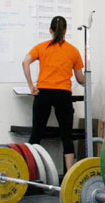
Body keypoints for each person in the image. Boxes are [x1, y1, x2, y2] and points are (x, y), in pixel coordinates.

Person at [22, 16, 85, 173]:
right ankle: (69, 175)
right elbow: (80, 78)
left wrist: (31, 85)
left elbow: (25, 62)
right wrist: (89, 80)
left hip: (43, 93)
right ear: (65, 31)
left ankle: (30, 173)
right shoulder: (73, 51)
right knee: (66, 135)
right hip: (63, 95)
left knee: (36, 134)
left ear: (50, 30)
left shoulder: (41, 47)